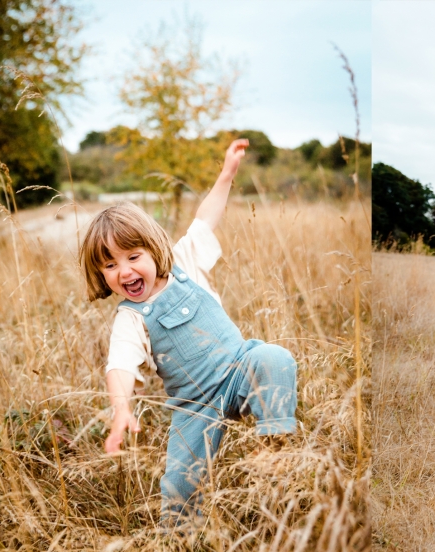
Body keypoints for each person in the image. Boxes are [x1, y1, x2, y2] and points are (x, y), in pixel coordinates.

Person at [79, 139, 298, 524]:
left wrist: (227, 173)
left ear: (153, 249)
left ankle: (275, 454)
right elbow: (120, 366)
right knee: (179, 486)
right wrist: (121, 409)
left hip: (238, 370)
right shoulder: (130, 318)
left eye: (133, 257)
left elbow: (206, 217)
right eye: (110, 266)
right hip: (194, 407)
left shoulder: (184, 260)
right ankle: (177, 545)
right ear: (100, 275)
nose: (125, 271)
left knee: (275, 358)